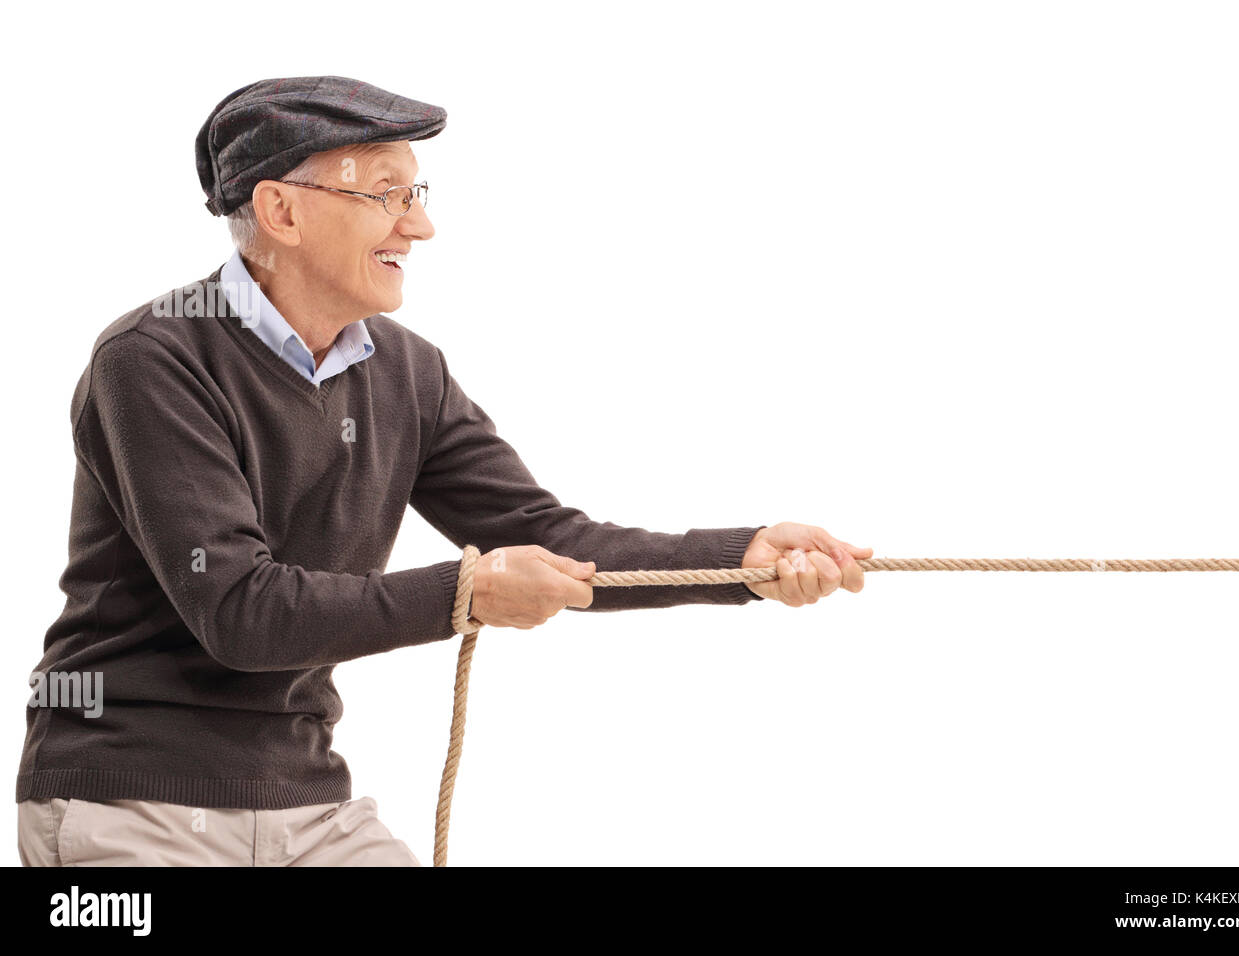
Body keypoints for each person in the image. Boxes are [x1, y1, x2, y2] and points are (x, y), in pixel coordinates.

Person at [16, 76, 872, 866]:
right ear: (280, 209)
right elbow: (242, 612)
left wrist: (745, 560)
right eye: (383, 194)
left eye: (415, 195)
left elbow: (550, 540)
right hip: (126, 797)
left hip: (307, 803)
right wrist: (467, 592)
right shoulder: (154, 361)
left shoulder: (407, 372)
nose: (418, 226)